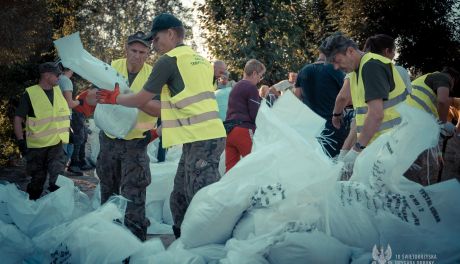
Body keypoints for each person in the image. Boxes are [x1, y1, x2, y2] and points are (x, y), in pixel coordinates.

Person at [96, 13, 226, 239]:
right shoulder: (201, 61)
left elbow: (139, 100)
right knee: (179, 196)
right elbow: (181, 104)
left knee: (201, 197)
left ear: (171, 34)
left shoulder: (168, 61)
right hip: (199, 138)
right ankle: (183, 242)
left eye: (155, 39)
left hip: (204, 140)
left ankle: (211, 244)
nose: (153, 45)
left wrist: (114, 98)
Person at [319, 33, 422, 174]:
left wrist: (356, 150)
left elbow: (375, 114)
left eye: (337, 61)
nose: (336, 67)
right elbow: (362, 115)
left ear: (350, 51)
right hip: (383, 145)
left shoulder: (371, 66)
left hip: (391, 146)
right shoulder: (357, 70)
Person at [96, 31, 160, 241]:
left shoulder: (154, 75)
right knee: (108, 191)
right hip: (110, 139)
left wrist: (134, 100)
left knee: (135, 195)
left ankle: (134, 243)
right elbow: (93, 95)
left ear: (148, 54)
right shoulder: (112, 67)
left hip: (136, 142)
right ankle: (107, 238)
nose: (137, 55)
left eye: (142, 52)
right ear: (126, 49)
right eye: (133, 50)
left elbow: (160, 109)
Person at [13, 62, 70, 200]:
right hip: (37, 148)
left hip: (56, 143)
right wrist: (21, 141)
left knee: (58, 179)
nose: (59, 77)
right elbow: (17, 119)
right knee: (37, 181)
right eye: (57, 74)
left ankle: (57, 208)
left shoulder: (58, 90)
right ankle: (32, 206)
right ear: (46, 75)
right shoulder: (30, 94)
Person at [294, 52, 349, 158]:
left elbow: (296, 97)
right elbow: (345, 96)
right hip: (332, 125)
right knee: (332, 161)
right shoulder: (335, 70)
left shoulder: (303, 70)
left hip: (310, 127)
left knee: (314, 160)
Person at [224, 59, 265, 172]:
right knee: (255, 165)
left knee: (231, 169)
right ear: (254, 73)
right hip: (243, 130)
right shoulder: (251, 87)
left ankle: (229, 189)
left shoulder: (236, 87)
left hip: (229, 131)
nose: (259, 80)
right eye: (260, 76)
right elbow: (254, 114)